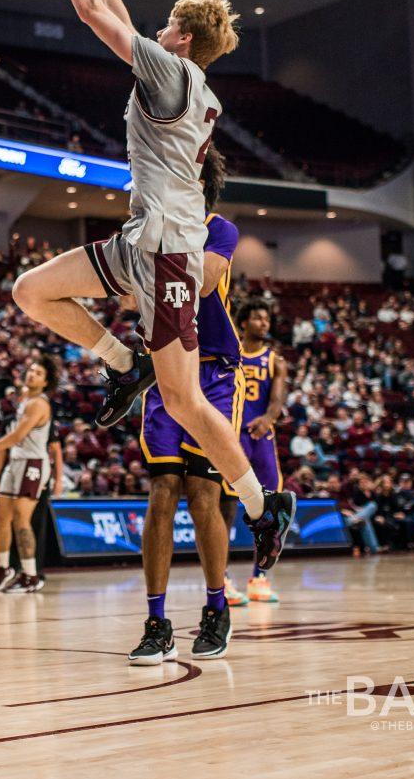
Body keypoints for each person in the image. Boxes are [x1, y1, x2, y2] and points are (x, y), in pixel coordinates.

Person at [10, 0, 294, 581]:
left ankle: (263, 505)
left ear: (183, 40)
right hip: (140, 239)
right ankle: (121, 361)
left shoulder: (174, 71)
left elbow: (94, 16)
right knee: (32, 290)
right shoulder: (183, 74)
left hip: (166, 251)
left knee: (187, 402)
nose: (156, 29)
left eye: (166, 24)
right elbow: (118, 10)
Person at [131, 183, 241, 664]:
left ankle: (217, 607)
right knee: (161, 492)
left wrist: (151, 261)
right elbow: (125, 295)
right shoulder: (145, 231)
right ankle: (157, 622)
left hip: (213, 370)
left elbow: (205, 277)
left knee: (203, 496)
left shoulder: (219, 229)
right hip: (165, 366)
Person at [224, 297, 289, 606]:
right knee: (223, 504)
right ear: (245, 321)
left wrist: (268, 418)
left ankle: (258, 578)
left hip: (261, 435)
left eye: (267, 318)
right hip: (230, 434)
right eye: (259, 318)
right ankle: (220, 579)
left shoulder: (275, 360)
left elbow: (277, 400)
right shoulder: (229, 352)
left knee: (268, 509)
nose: (265, 323)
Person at [0, 358, 61, 593]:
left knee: (21, 519)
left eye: (38, 372)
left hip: (32, 464)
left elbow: (16, 437)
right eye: (31, 371)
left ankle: (31, 575)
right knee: (1, 517)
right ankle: (4, 568)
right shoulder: (24, 401)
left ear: (45, 382)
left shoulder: (39, 404)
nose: (32, 374)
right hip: (15, 463)